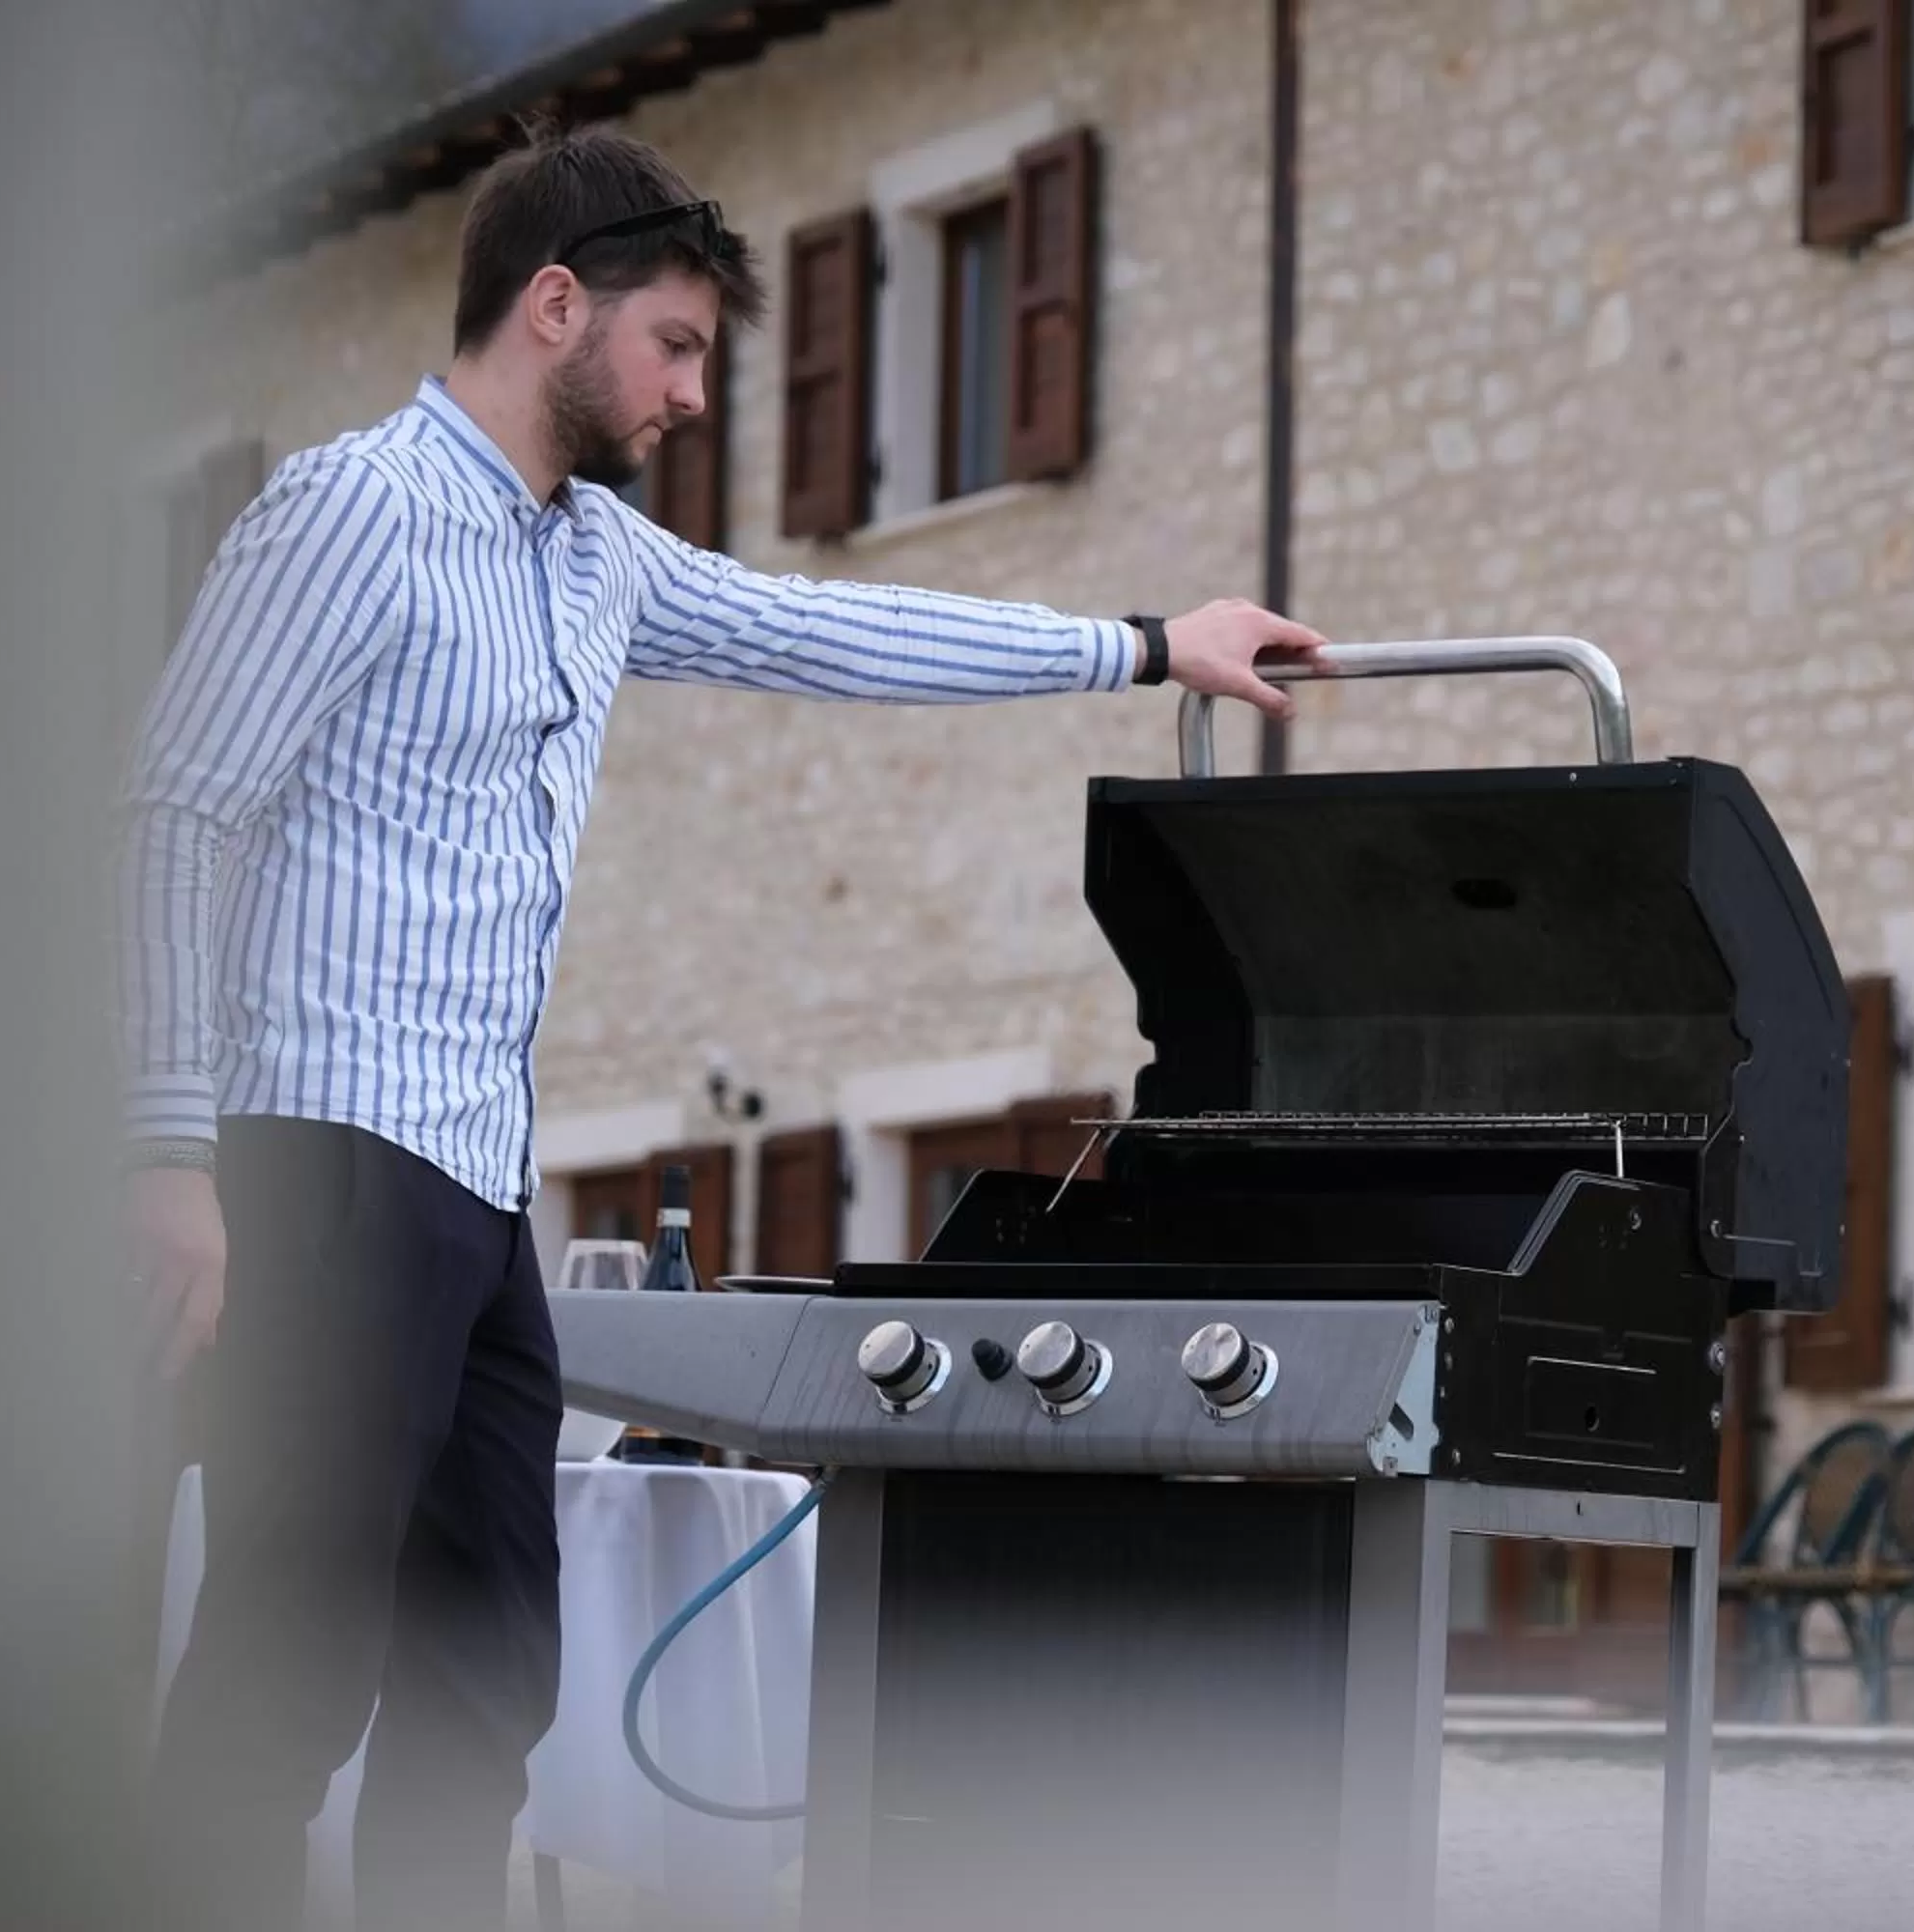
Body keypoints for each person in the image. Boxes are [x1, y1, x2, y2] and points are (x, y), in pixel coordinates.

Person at [118, 123, 1324, 1932]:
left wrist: (1146, 646)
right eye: (675, 346)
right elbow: (176, 812)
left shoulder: (598, 558)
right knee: (289, 1661)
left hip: (471, 1177)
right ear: (552, 308)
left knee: (488, 1666)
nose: (693, 392)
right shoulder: (342, 510)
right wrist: (166, 1151)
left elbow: (836, 633)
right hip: (318, 1156)